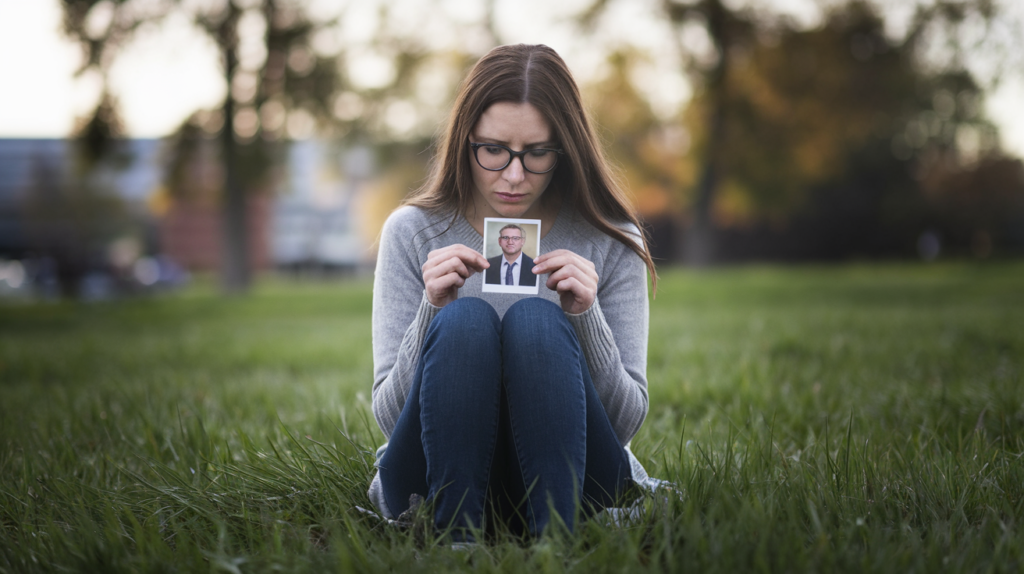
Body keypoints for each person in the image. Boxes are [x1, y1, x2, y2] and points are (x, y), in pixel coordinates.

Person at [369, 43, 658, 541]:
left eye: (538, 153)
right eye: (494, 150)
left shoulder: (611, 239)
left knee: (536, 320)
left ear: (566, 149)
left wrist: (586, 318)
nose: (514, 175)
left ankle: (556, 542)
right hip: (433, 482)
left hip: (576, 480)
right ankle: (454, 541)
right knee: (464, 321)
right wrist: (429, 311)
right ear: (465, 140)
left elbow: (623, 424)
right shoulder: (412, 232)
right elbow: (393, 419)